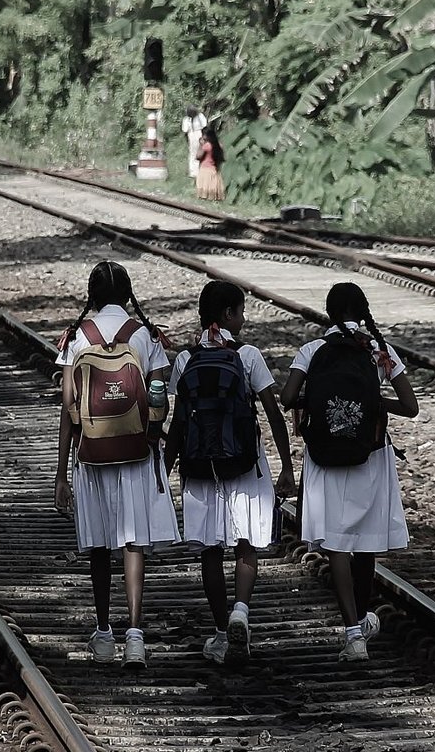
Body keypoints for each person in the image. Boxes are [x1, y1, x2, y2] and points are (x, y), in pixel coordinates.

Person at [278, 282, 420, 663]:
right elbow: (411, 406)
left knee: (336, 543)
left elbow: (287, 398)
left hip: (324, 456)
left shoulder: (312, 350)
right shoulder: (378, 351)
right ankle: (361, 618)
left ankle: (354, 631)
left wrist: (320, 400)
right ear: (363, 311)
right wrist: (374, 401)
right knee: (365, 543)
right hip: (370, 456)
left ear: (328, 312)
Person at [54, 261, 178, 668]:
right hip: (137, 452)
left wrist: (61, 473)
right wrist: (152, 432)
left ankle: (104, 632)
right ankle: (136, 635)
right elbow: (159, 397)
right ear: (128, 295)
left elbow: (69, 407)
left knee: (100, 545)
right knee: (132, 540)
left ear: (91, 295)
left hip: (92, 453)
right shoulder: (145, 336)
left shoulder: (77, 339)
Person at [164, 280, 295, 664]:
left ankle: (222, 632)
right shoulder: (249, 355)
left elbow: (178, 424)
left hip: (200, 466)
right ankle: (241, 610)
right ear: (227, 315)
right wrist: (287, 465)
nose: (243, 318)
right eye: (240, 311)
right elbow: (272, 414)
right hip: (243, 463)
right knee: (245, 544)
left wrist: (165, 469)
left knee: (209, 549)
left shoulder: (185, 360)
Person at [195, 124, 226, 202]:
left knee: (204, 194)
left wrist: (200, 145)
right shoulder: (219, 145)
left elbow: (198, 156)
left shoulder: (207, 146)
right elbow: (221, 158)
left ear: (206, 136)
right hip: (214, 170)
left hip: (205, 169)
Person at [182, 107, 207, 180]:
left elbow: (204, 126)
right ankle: (193, 172)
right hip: (191, 134)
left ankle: (202, 170)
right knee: (192, 153)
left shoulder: (200, 116)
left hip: (199, 133)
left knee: (201, 152)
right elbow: (185, 130)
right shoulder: (186, 119)